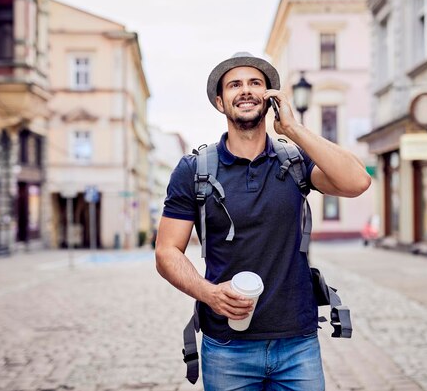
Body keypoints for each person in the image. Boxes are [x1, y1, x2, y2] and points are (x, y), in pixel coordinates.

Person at [155, 52, 371, 390]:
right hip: (227, 347)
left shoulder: (295, 161)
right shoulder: (193, 171)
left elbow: (357, 181)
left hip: (297, 346)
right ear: (219, 100)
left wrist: (295, 129)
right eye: (235, 84)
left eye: (255, 83)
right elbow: (167, 252)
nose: (245, 90)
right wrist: (210, 294)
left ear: (270, 98)